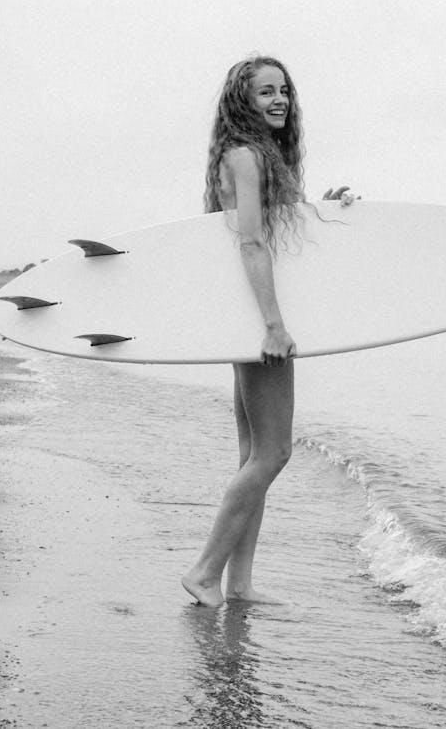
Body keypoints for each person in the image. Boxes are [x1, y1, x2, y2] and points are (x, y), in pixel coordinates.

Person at [182, 55, 354, 607]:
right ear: (242, 101)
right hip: (263, 323)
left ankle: (239, 583)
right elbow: (251, 244)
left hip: (247, 317)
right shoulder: (247, 157)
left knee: (252, 452)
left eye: (283, 90)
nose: (279, 99)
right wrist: (274, 325)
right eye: (264, 93)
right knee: (273, 453)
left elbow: (278, 239)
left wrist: (323, 211)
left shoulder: (249, 158)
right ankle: (206, 571)